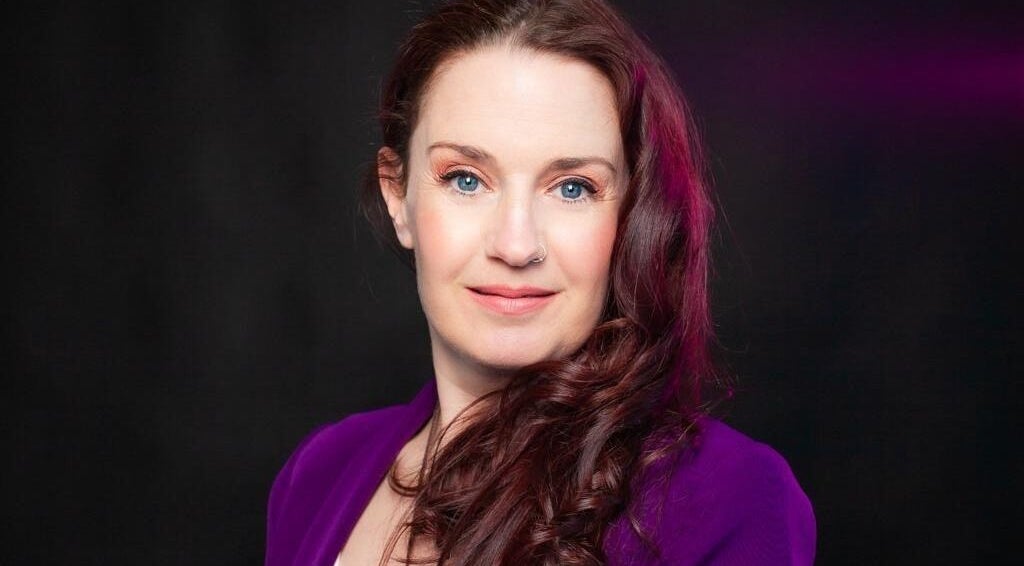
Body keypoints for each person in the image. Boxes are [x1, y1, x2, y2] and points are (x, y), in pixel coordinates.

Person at [265, 0, 816, 564]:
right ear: (397, 197)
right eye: (465, 179)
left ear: (629, 216)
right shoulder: (318, 473)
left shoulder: (728, 498)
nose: (516, 245)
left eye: (573, 187)